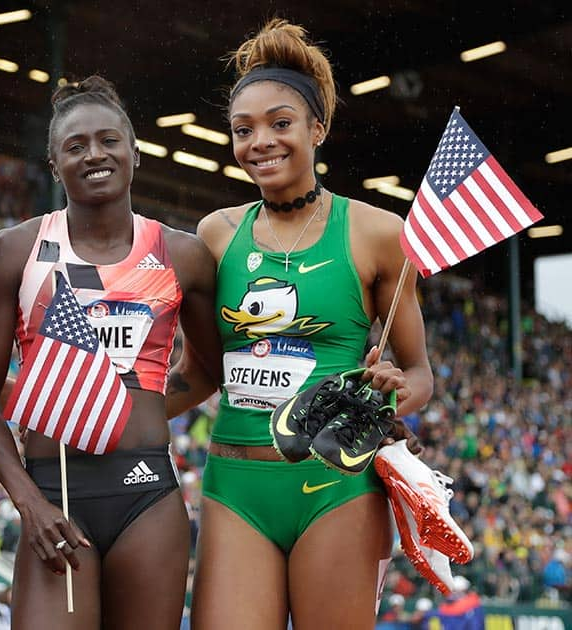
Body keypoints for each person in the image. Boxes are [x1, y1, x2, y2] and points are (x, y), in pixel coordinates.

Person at [177, 19, 434, 629]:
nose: (260, 141)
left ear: (318, 128)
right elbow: (202, 372)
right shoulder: (216, 235)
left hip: (337, 485)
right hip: (234, 484)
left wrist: (398, 390)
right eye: (243, 130)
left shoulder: (378, 234)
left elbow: (419, 372)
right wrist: (109, 420)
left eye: (280, 123)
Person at [0, 76, 220, 629]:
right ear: (54, 165)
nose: (94, 154)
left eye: (109, 140)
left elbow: (208, 372)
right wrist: (28, 503)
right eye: (75, 146)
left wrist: (118, 411)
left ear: (135, 151)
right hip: (51, 494)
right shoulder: (15, 252)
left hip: (145, 496)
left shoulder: (184, 256)